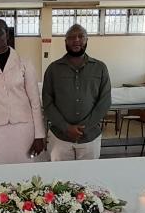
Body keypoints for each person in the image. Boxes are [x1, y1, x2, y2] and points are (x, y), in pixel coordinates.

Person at [0, 19, 46, 164]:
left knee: (25, 171)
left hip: (23, 127)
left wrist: (39, 135)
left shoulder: (24, 62)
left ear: (7, 34)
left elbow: (35, 101)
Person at [42, 24, 111, 161]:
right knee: (59, 179)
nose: (76, 40)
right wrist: (66, 127)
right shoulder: (53, 69)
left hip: (90, 137)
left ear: (86, 40)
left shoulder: (100, 68)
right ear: (66, 41)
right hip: (60, 138)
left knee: (89, 178)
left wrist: (84, 128)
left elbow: (104, 101)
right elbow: (47, 102)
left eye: (81, 36)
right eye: (72, 37)